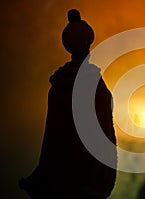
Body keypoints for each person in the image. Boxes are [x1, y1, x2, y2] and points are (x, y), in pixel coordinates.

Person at [19, 9, 117, 198]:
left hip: (60, 174)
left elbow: (52, 137)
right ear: (88, 45)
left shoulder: (58, 86)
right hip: (87, 177)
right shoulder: (93, 85)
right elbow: (103, 129)